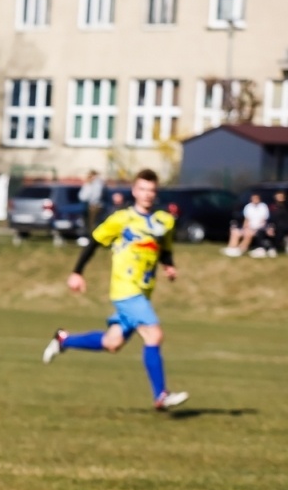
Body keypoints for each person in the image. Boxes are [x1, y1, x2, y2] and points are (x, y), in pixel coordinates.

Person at [42, 169, 187, 410]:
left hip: (143, 292)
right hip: (125, 290)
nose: (147, 194)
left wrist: (169, 266)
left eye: (151, 190)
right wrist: (77, 272)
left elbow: (165, 248)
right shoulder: (121, 219)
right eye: (142, 189)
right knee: (154, 335)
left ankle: (63, 340)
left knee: (112, 343)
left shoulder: (164, 221)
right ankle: (161, 395)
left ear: (155, 193)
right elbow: (94, 242)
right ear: (134, 191)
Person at [223, 192, 268, 257]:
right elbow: (246, 219)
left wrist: (255, 228)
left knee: (248, 234)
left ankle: (240, 249)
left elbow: (263, 220)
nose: (255, 200)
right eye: (253, 198)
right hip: (248, 227)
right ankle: (231, 248)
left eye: (256, 198)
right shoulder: (248, 206)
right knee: (235, 232)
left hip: (258, 228)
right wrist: (245, 227)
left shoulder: (263, 207)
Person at [78, 169, 105, 246]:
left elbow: (96, 195)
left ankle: (93, 240)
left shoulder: (98, 184)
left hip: (95, 206)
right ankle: (89, 238)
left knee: (93, 224)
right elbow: (82, 196)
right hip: (87, 205)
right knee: (87, 223)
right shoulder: (88, 184)